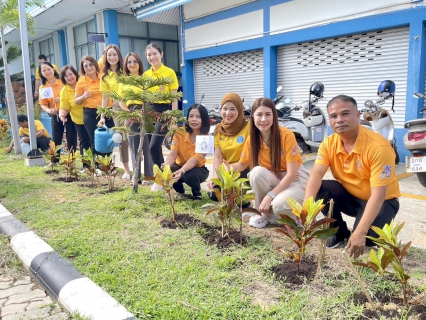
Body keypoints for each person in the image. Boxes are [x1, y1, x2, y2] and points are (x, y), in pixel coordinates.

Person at [304, 95, 400, 259]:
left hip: (382, 201)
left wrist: (360, 232)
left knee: (367, 239)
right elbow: (315, 175)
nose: (339, 120)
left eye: (345, 114)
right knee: (321, 187)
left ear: (358, 114)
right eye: (333, 116)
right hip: (351, 197)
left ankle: (374, 226)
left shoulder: (378, 147)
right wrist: (306, 212)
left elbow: (378, 195)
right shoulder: (329, 143)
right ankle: (338, 231)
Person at [227, 97, 309, 228]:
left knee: (279, 205)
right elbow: (242, 164)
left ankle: (292, 215)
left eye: (268, 114)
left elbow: (292, 174)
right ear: (253, 117)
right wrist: (227, 168)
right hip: (275, 177)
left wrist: (270, 196)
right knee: (256, 172)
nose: (263, 119)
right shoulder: (252, 139)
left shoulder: (286, 135)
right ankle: (263, 214)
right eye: (259, 114)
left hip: (294, 179)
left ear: (274, 116)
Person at [143, 43, 179, 190]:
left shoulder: (169, 72)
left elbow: (174, 97)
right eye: (149, 55)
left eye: (154, 54)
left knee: (153, 147)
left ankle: (159, 180)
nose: (152, 57)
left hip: (164, 111)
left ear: (161, 54)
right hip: (149, 111)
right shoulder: (146, 75)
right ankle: (163, 178)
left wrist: (174, 117)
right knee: (153, 147)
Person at [206, 93, 250, 201]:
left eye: (232, 109)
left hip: (245, 169)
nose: (228, 113)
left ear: (240, 109)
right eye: (224, 109)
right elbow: (217, 158)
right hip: (226, 170)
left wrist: (230, 169)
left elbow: (249, 159)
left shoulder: (249, 127)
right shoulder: (219, 129)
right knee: (215, 194)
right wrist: (216, 177)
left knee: (237, 197)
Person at [119, 52, 153, 185]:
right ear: (125, 65)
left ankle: (149, 176)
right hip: (130, 113)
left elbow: (150, 97)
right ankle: (136, 176)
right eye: (129, 62)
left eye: (135, 61)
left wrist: (144, 111)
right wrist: (130, 113)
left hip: (145, 111)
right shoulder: (124, 81)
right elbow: (121, 101)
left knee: (147, 146)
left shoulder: (145, 78)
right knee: (133, 146)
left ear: (139, 63)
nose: (132, 64)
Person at [163, 104, 210, 200]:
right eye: (191, 116)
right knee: (170, 170)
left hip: (198, 170)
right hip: (180, 165)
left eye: (198, 117)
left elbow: (194, 160)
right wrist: (167, 165)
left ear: (204, 119)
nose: (194, 119)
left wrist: (182, 171)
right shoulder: (179, 132)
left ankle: (197, 193)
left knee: (189, 175)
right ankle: (180, 192)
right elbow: (173, 153)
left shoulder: (206, 138)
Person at [99, 44, 131, 180]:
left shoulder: (126, 71)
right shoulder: (105, 77)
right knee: (122, 139)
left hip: (131, 105)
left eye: (114, 54)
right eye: (109, 55)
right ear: (106, 57)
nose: (112, 57)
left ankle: (140, 165)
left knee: (134, 136)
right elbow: (105, 97)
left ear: (119, 56)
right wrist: (102, 116)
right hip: (117, 108)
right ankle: (127, 170)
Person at [74, 55, 114, 157]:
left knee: (108, 139)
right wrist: (83, 96)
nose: (89, 67)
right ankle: (97, 166)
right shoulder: (81, 81)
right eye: (85, 66)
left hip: (107, 112)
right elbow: (76, 101)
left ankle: (107, 165)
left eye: (91, 64)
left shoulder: (104, 77)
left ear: (95, 65)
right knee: (95, 140)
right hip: (90, 114)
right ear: (83, 68)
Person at [39, 62, 77, 163]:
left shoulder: (62, 80)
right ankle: (54, 161)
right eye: (44, 70)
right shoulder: (43, 87)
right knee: (56, 138)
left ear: (53, 69)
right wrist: (49, 110)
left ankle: (71, 160)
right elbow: (43, 104)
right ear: (41, 73)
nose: (47, 72)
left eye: (48, 69)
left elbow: (71, 92)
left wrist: (61, 99)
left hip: (68, 111)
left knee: (71, 136)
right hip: (55, 114)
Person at [58, 65, 91, 156]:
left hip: (92, 117)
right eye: (66, 76)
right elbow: (64, 107)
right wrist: (62, 115)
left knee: (95, 141)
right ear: (63, 78)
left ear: (75, 74)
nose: (69, 77)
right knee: (84, 142)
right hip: (79, 120)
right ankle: (86, 166)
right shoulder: (64, 90)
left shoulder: (84, 82)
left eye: (70, 74)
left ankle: (99, 164)